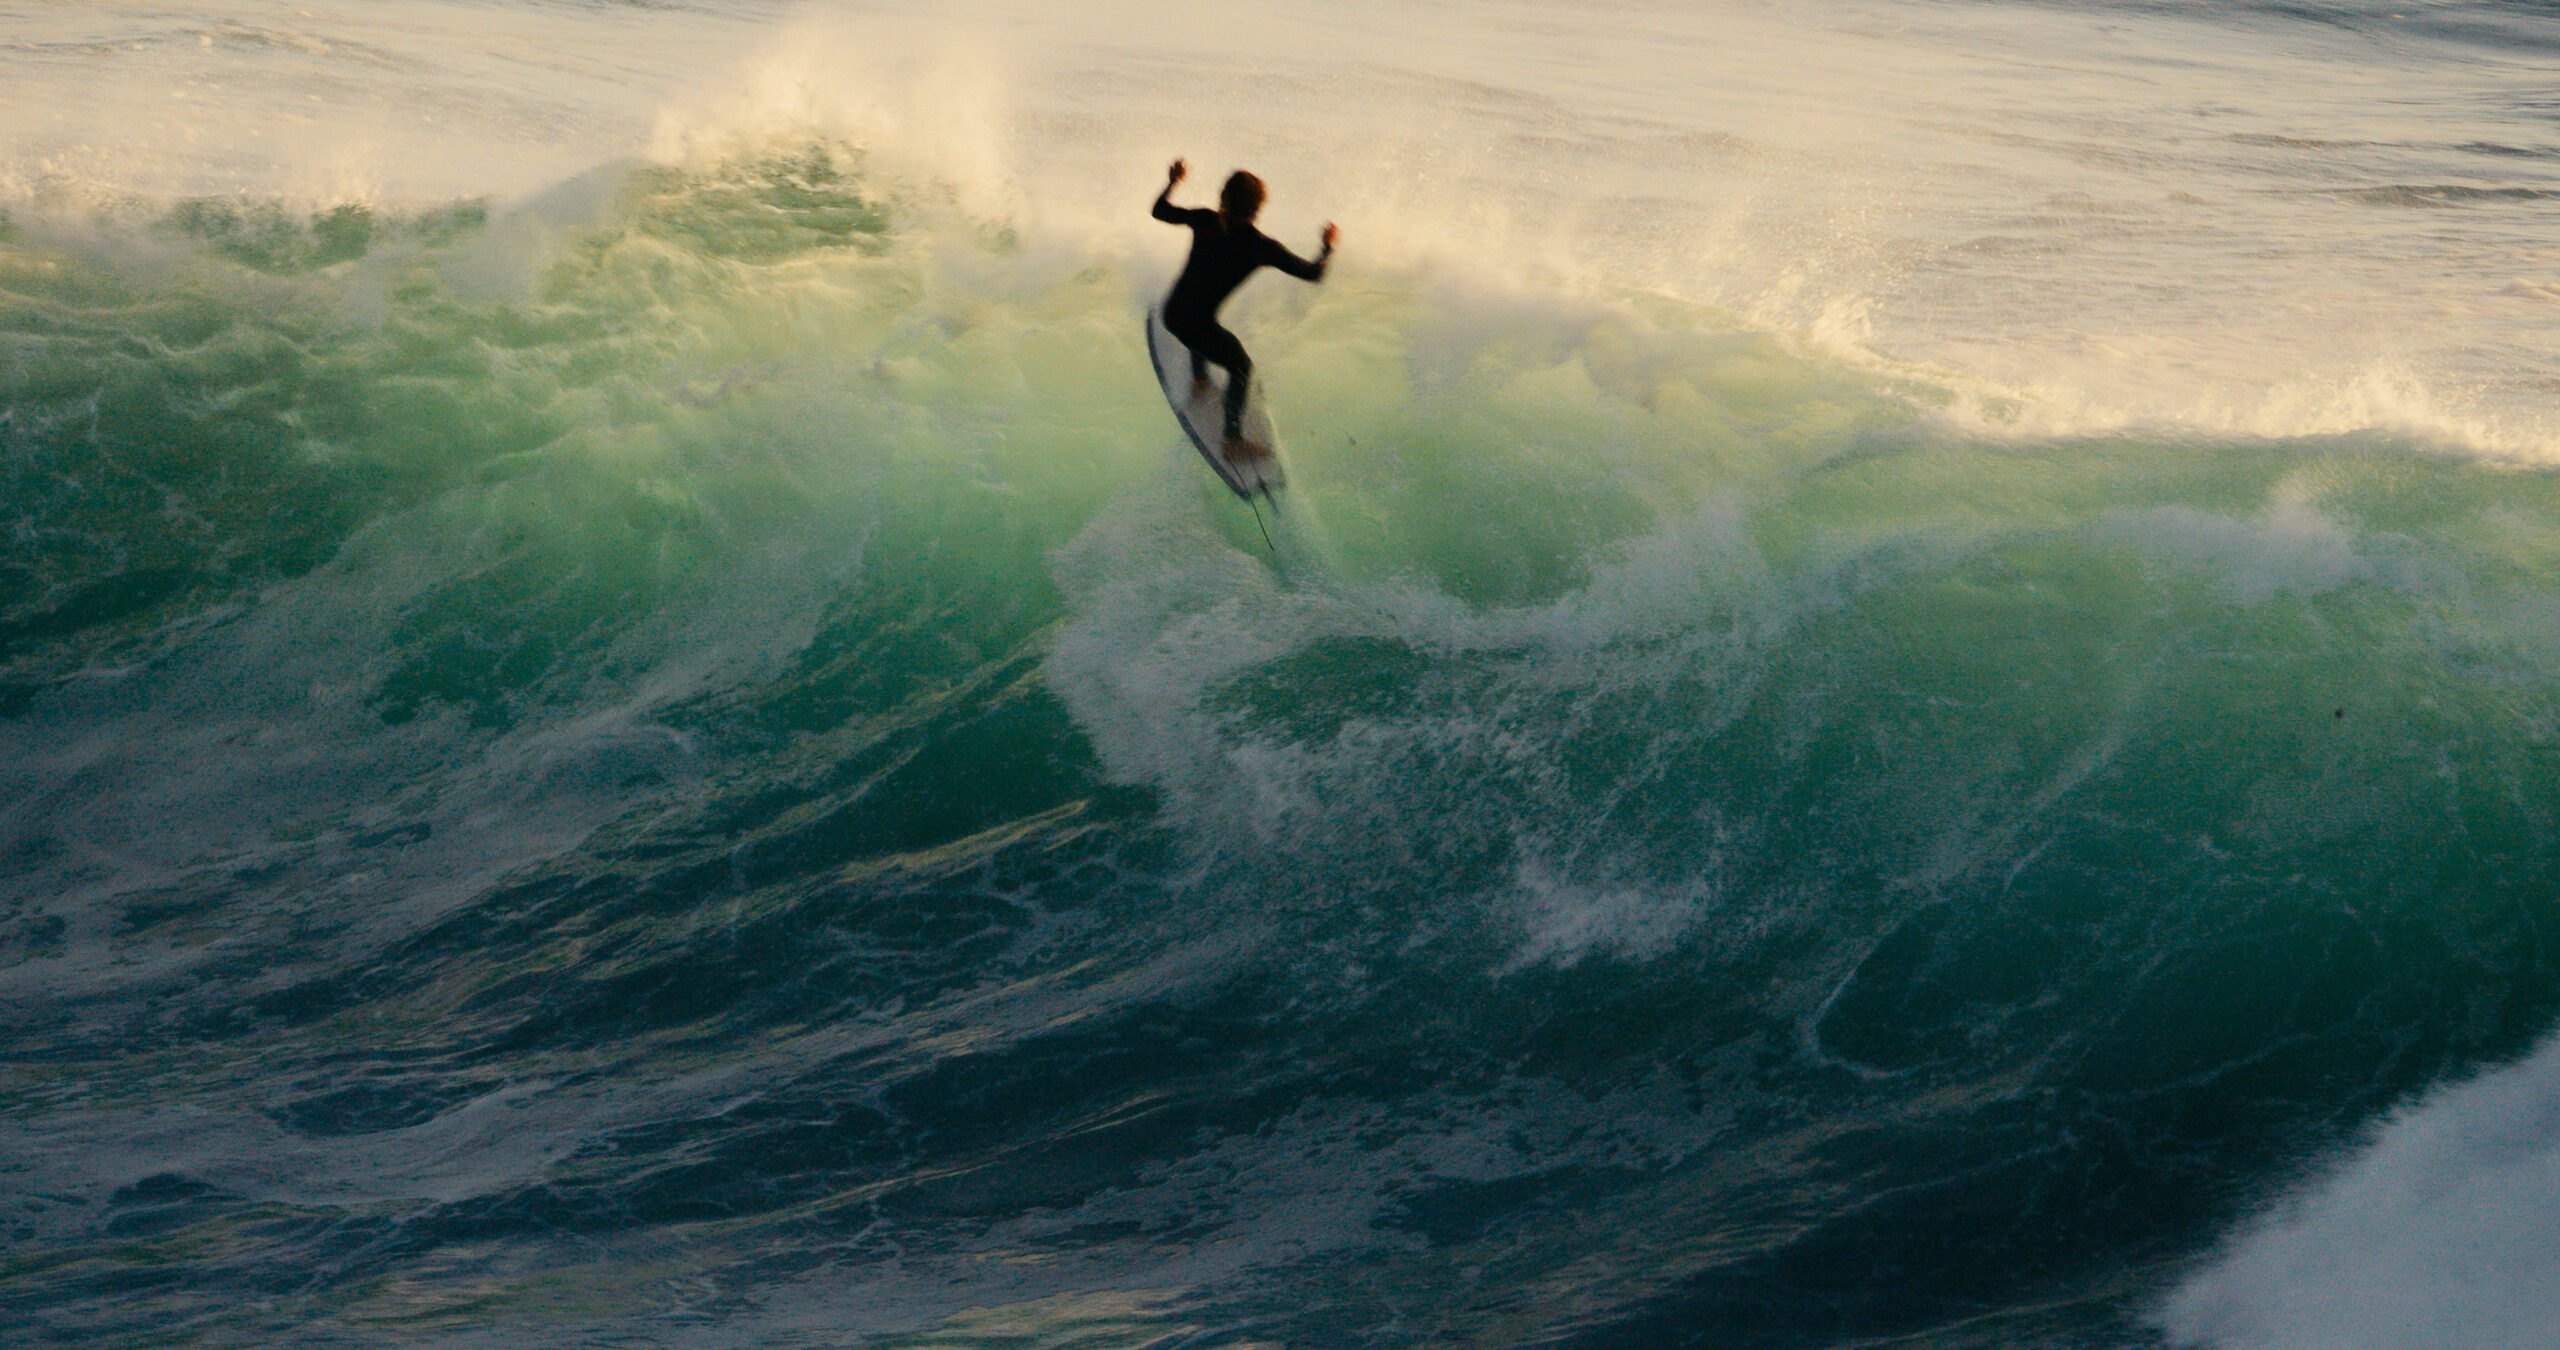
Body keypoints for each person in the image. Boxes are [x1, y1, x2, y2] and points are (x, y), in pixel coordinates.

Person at [1152, 159, 1338, 456]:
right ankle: (1233, 441)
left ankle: (1199, 379)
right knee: (1240, 367)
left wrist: (1173, 181)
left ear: (1223, 197)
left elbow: (1159, 211)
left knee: (1203, 321)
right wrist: (1327, 247)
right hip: (1195, 326)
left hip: (1171, 313)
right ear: (1258, 206)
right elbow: (1313, 273)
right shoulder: (1262, 247)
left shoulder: (1204, 219)